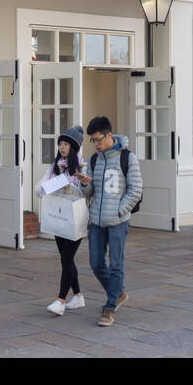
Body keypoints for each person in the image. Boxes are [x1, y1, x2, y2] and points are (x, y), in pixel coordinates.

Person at [77, 115, 141, 327]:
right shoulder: (94, 160)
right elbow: (88, 192)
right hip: (96, 221)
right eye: (92, 141)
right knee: (96, 263)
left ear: (109, 135)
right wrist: (85, 184)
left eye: (98, 139)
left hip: (117, 221)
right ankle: (118, 293)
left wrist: (120, 211)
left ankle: (110, 307)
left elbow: (135, 190)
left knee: (116, 264)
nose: (95, 144)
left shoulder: (127, 158)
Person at [33, 126, 86, 316]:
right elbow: (38, 189)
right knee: (67, 260)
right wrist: (51, 185)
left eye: (66, 144)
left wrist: (69, 186)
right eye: (60, 144)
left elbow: (85, 193)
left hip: (76, 218)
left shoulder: (82, 168)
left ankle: (61, 300)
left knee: (66, 258)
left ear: (74, 148)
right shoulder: (55, 166)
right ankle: (78, 296)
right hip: (59, 216)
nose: (62, 148)